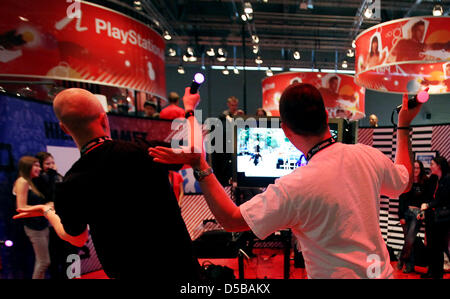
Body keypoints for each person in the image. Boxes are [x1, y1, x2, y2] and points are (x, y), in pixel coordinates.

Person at [149, 83, 423, 278]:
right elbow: (405, 180)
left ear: (286, 131)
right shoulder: (367, 156)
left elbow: (232, 219)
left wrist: (201, 165)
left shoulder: (295, 186)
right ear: (326, 117)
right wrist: (403, 124)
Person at [14, 88, 200, 280]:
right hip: (183, 273)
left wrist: (47, 211)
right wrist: (189, 108)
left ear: (64, 128)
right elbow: (195, 152)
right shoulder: (145, 151)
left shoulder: (70, 183)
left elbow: (77, 238)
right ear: (104, 119)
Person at [34, 151, 78, 280]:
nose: (52, 165)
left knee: (72, 255)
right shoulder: (39, 180)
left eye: (53, 162)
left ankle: (74, 277)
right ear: (41, 166)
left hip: (67, 221)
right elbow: (47, 198)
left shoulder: (59, 176)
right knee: (56, 258)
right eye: (48, 163)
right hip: (51, 226)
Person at [13, 156, 52, 279]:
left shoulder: (30, 181)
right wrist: (43, 207)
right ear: (27, 167)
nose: (39, 169)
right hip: (34, 228)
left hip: (40, 226)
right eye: (36, 165)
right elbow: (21, 207)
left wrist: (46, 206)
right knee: (44, 262)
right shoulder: (22, 181)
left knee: (43, 262)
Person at [397, 160, 430, 273]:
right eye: (414, 168)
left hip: (417, 215)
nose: (415, 170)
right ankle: (409, 265)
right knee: (408, 240)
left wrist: (422, 212)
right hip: (406, 214)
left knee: (410, 240)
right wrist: (401, 216)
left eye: (417, 168)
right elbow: (401, 199)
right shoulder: (407, 182)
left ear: (421, 170)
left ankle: (402, 258)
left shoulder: (425, 183)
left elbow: (427, 200)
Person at [420, 156, 450, 279]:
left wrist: (428, 205)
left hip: (442, 218)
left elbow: (443, 200)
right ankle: (431, 271)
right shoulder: (433, 179)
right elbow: (428, 196)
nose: (430, 166)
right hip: (432, 216)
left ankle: (438, 274)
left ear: (439, 166)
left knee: (439, 247)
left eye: (432, 164)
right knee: (431, 246)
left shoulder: (448, 180)